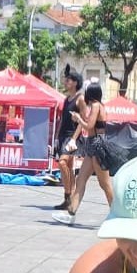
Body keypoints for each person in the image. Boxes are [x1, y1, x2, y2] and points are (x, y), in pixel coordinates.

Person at [53, 83, 117, 225]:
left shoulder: (96, 106)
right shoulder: (97, 106)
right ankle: (71, 213)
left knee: (105, 184)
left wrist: (78, 119)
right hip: (92, 145)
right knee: (81, 179)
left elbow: (89, 125)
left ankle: (116, 215)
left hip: (98, 146)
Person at [53, 70, 83, 211]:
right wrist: (56, 137)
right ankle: (68, 199)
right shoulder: (66, 99)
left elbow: (83, 121)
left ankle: (69, 194)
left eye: (68, 80)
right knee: (68, 167)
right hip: (63, 136)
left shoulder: (80, 99)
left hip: (72, 137)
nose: (65, 82)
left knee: (63, 162)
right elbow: (62, 120)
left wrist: (73, 139)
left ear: (75, 82)